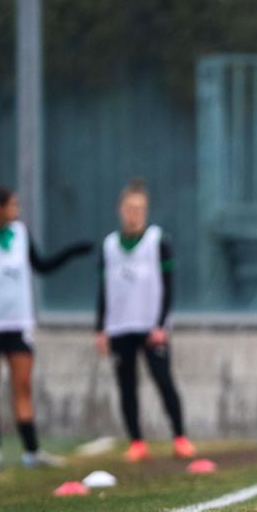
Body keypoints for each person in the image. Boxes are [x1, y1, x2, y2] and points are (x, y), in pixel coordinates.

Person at [0, 184, 92, 469]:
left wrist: (72, 252)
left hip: (18, 325)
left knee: (22, 387)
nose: (16, 209)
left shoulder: (21, 234)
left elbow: (42, 265)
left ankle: (32, 452)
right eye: (12, 204)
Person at [94, 179, 194, 462]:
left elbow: (169, 284)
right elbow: (103, 289)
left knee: (164, 380)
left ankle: (180, 436)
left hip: (152, 326)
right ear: (120, 210)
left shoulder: (157, 240)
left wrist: (161, 324)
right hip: (120, 326)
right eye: (129, 208)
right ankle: (137, 441)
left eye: (139, 208)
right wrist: (100, 328)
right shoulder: (110, 245)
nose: (134, 213)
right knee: (126, 385)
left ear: (146, 210)